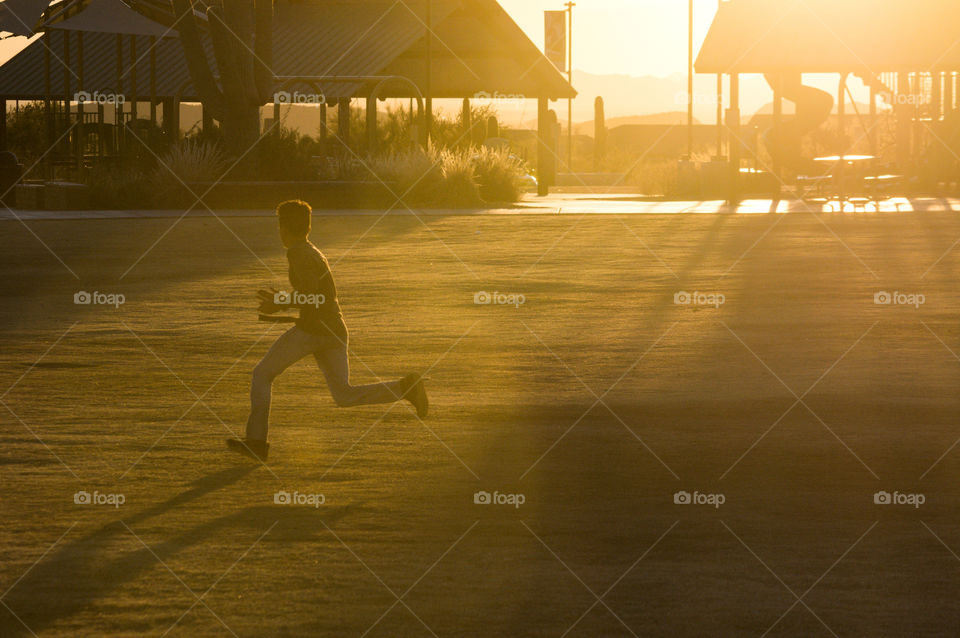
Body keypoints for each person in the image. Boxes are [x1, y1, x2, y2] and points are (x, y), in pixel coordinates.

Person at [227, 200, 428, 461]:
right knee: (343, 395)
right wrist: (283, 303)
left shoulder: (298, 253)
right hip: (334, 330)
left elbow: (310, 295)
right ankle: (406, 388)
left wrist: (279, 303)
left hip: (313, 332)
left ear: (283, 227)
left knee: (262, 374)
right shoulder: (312, 250)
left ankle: (256, 442)